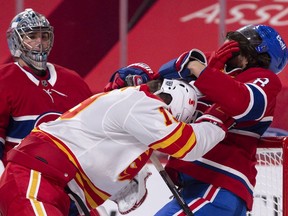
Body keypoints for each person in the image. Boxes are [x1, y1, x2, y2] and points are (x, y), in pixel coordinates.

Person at [0, 77, 234, 216]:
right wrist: (220, 118)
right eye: (175, 120)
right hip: (38, 180)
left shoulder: (135, 131)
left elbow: (128, 202)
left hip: (65, 194)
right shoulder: (141, 103)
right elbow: (188, 145)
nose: (171, 124)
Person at [152, 24, 288, 215]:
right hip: (193, 188)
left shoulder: (263, 78)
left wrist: (202, 69)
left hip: (218, 188)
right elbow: (162, 80)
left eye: (235, 44)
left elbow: (242, 102)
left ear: (253, 51)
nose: (226, 47)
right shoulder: (218, 68)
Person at [0, 8, 92, 215]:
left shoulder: (73, 80)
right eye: (32, 36)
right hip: (26, 184)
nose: (39, 42)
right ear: (16, 41)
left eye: (44, 35)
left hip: (71, 185)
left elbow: (92, 135)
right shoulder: (4, 80)